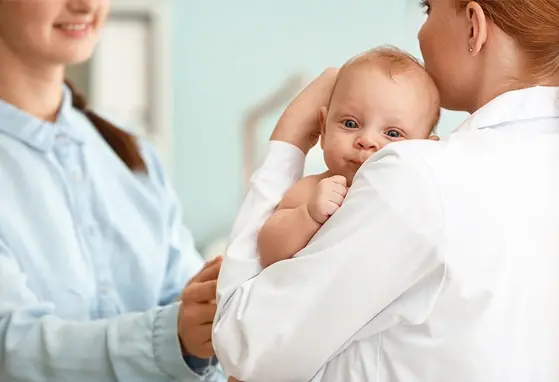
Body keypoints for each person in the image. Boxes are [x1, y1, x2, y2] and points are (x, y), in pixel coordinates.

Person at [213, 0, 559, 381]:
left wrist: (287, 142)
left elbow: (244, 344)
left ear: (473, 27)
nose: (420, 33)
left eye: (428, 9)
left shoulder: (417, 177)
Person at [0, 0, 225, 381]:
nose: (85, 4)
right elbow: (11, 347)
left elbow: (187, 299)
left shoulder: (128, 151)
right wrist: (173, 339)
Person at [258, 46, 440, 267]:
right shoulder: (311, 190)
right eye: (350, 123)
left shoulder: (419, 201)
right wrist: (307, 215)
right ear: (323, 130)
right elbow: (268, 250)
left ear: (425, 151)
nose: (366, 139)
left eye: (392, 133)